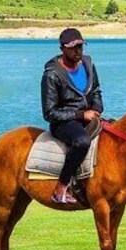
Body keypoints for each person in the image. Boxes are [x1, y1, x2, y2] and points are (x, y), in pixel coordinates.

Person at [40, 28, 103, 204]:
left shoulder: (88, 64)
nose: (78, 52)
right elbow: (49, 113)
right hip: (64, 123)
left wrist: (97, 108)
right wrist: (82, 114)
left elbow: (96, 90)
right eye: (73, 48)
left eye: (81, 47)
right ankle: (60, 187)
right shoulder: (51, 74)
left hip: (90, 116)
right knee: (82, 141)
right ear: (62, 49)